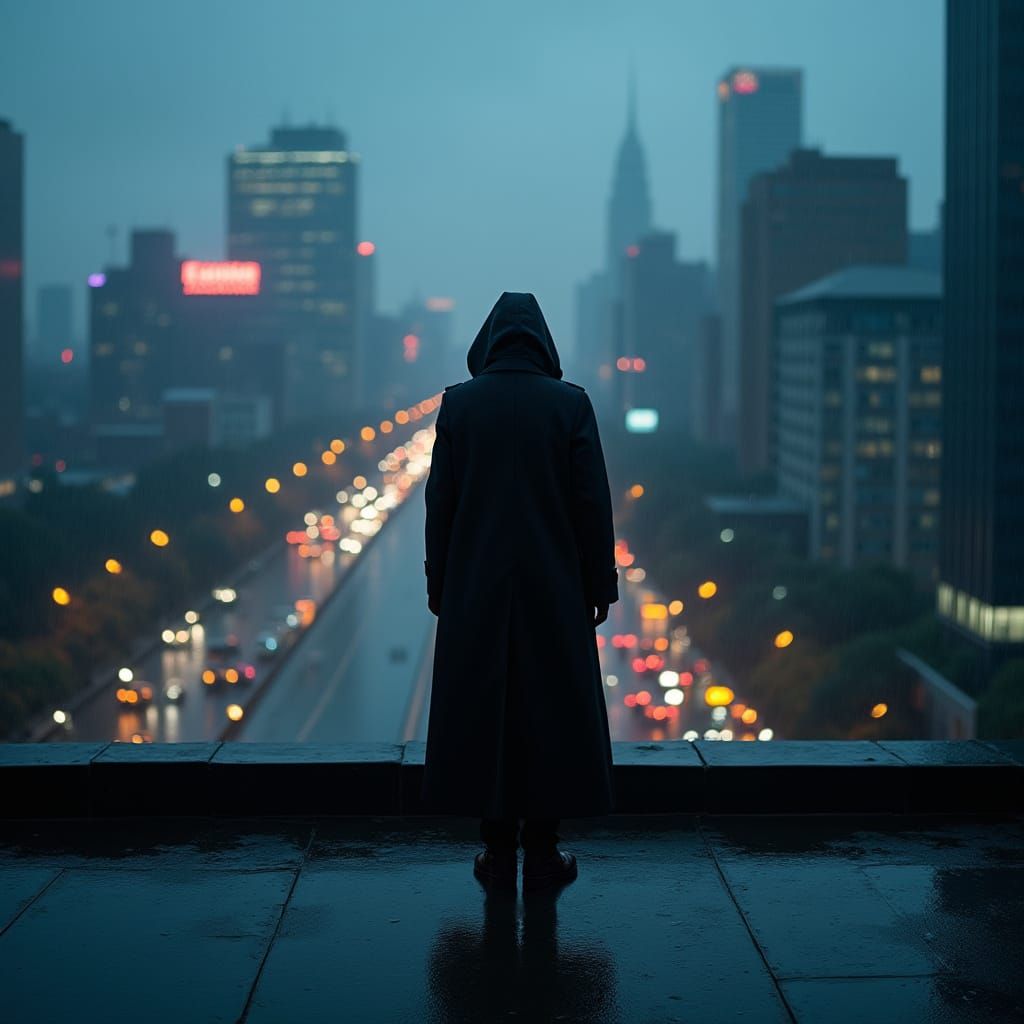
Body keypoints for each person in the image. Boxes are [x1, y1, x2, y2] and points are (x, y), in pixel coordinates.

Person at [421, 291, 619, 893]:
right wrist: (599, 585)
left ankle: (496, 849)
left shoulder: (459, 406)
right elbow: (592, 505)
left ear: (486, 344)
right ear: (543, 345)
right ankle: (543, 852)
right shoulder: (570, 405)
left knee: (487, 712)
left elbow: (440, 508)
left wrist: (441, 584)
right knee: (550, 712)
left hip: (475, 588)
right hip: (554, 590)